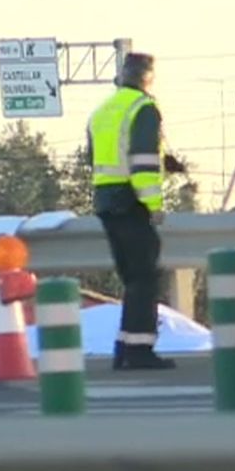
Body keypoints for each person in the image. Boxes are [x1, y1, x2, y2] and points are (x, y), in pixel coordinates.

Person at [87, 52, 187, 370]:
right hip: (132, 201)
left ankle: (125, 348)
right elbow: (142, 162)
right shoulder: (142, 108)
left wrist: (164, 162)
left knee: (132, 277)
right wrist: (154, 204)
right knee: (145, 276)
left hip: (105, 199)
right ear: (148, 78)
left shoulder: (102, 111)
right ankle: (140, 349)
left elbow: (98, 156)